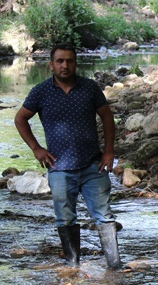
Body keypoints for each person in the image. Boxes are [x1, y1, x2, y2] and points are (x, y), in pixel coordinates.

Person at [14, 43, 122, 269]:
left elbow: (107, 117)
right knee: (65, 218)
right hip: (59, 168)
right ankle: (73, 267)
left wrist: (109, 152)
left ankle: (114, 266)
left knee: (104, 216)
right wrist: (36, 148)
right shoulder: (40, 92)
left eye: (70, 61)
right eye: (60, 61)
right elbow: (20, 119)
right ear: (51, 65)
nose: (65, 66)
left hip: (93, 165)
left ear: (76, 63)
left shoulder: (90, 88)